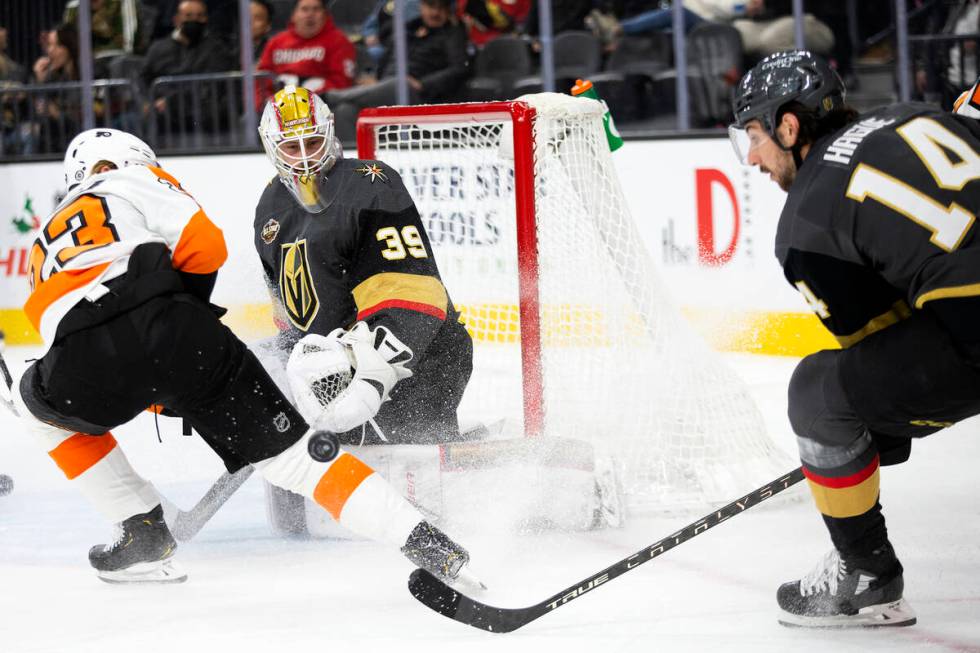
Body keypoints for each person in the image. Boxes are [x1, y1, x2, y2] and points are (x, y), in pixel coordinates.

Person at [10, 126, 477, 586]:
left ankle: (140, 529)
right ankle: (428, 543)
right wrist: (181, 322)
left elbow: (65, 334)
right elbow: (206, 247)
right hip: (185, 339)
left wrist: (154, 388)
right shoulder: (132, 178)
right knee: (298, 461)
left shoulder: (41, 242)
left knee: (37, 409)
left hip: (83, 363)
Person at [729, 50, 980, 628]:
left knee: (817, 396)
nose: (754, 159)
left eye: (754, 135)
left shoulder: (805, 228)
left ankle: (867, 574)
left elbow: (881, 348)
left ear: (789, 126)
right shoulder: (912, 115)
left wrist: (852, 449)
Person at [253, 85, 475, 531]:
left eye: (312, 142)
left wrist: (373, 375)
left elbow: (412, 293)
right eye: (291, 147)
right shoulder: (269, 207)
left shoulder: (371, 183)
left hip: (418, 358)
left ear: (330, 133)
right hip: (337, 375)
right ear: (271, 147)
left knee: (420, 483)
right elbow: (292, 314)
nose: (305, 157)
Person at [325, 0, 469, 139]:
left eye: (441, 8)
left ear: (448, 10)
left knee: (400, 84)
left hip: (418, 96)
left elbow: (459, 69)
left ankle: (330, 97)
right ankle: (361, 162)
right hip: (385, 89)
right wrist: (376, 80)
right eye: (431, 6)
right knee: (345, 110)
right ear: (421, 6)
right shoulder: (406, 29)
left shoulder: (453, 33)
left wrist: (423, 84)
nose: (435, 12)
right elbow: (386, 60)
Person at [141, 0, 235, 124]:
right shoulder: (158, 49)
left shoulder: (217, 49)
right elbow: (143, 79)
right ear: (176, 19)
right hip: (163, 121)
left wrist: (171, 102)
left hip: (204, 120)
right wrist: (147, 102)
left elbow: (211, 87)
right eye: (188, 16)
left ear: (206, 19)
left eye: (199, 16)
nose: (194, 20)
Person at [256, 0, 355, 97]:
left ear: (325, 15)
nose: (310, 14)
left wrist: (308, 100)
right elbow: (261, 81)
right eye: (304, 9)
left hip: (323, 107)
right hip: (279, 108)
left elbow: (341, 84)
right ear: (293, 15)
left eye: (316, 9)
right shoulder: (275, 43)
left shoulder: (339, 41)